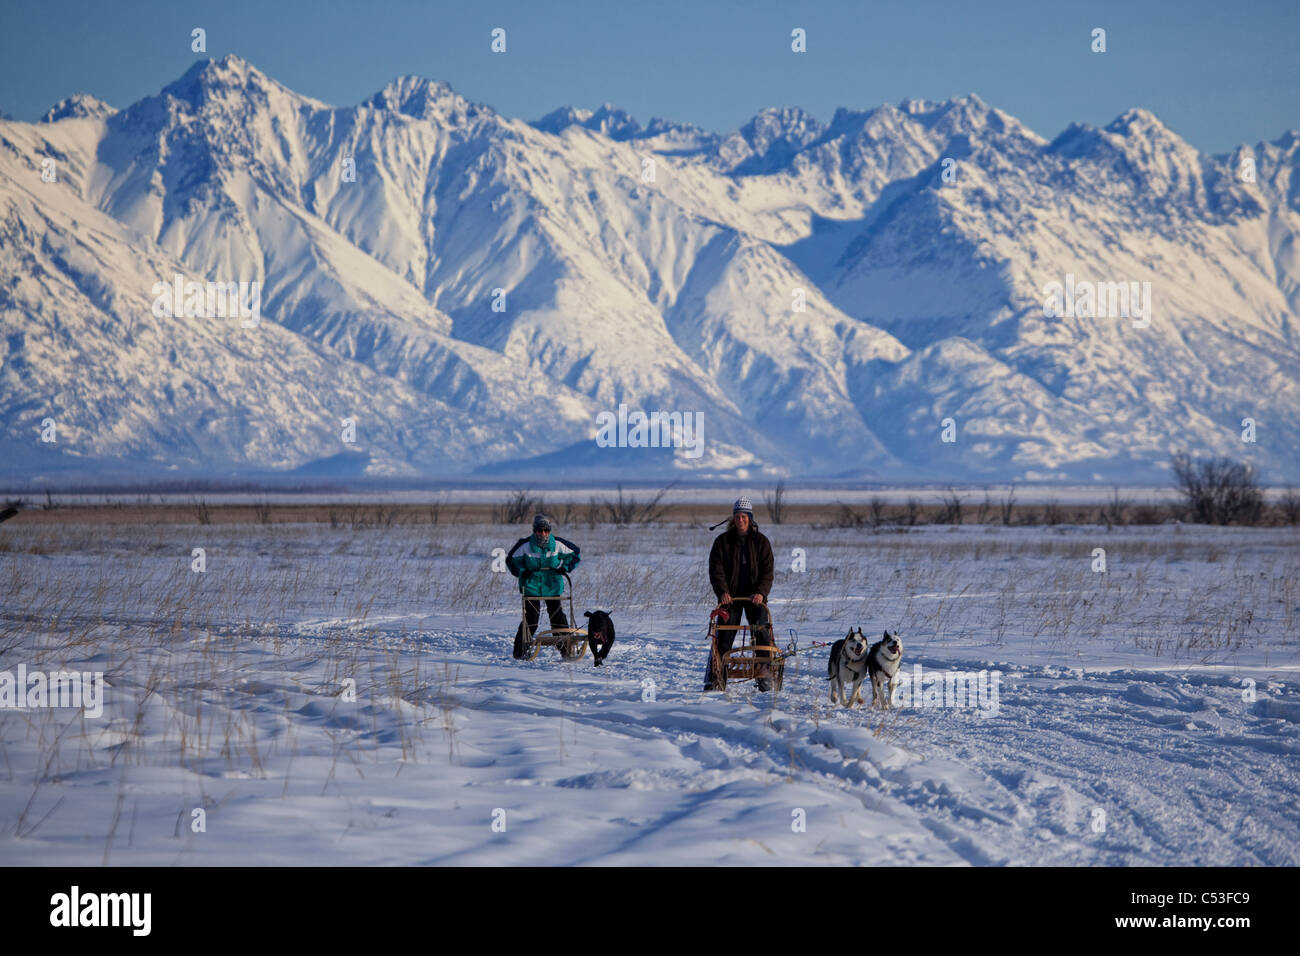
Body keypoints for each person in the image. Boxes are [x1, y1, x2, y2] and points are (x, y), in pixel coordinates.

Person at [705, 496, 775, 691]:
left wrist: (761, 592)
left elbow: (768, 571)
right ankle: (717, 677)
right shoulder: (722, 542)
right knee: (723, 637)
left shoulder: (761, 542)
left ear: (750, 518)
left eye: (744, 516)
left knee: (761, 632)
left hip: (755, 598)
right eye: (737, 516)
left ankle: (764, 675)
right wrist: (722, 592)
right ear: (732, 519)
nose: (740, 520)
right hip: (730, 598)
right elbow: (716, 570)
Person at [506, 514, 581, 658]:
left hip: (552, 585)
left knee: (557, 617)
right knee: (532, 619)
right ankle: (520, 651)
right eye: (540, 531)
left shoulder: (558, 544)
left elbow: (575, 554)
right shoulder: (525, 545)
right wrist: (522, 572)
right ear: (534, 531)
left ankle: (565, 649)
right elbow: (511, 561)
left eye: (546, 530)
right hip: (531, 586)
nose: (543, 534)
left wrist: (564, 567)